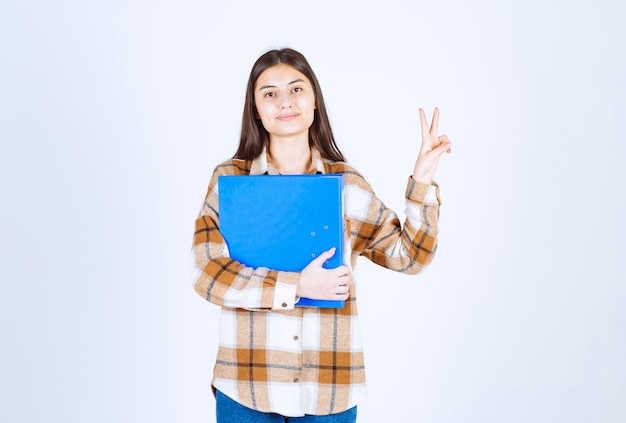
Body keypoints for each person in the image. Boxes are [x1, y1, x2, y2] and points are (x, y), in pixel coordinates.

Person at [191, 47, 451, 422]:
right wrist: (296, 286)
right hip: (245, 385)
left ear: (315, 102)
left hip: (329, 389)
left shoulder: (347, 186)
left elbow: (410, 257)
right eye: (270, 93)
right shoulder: (230, 181)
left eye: (297, 89)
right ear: (257, 111)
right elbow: (206, 273)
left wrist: (423, 181)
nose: (285, 102)